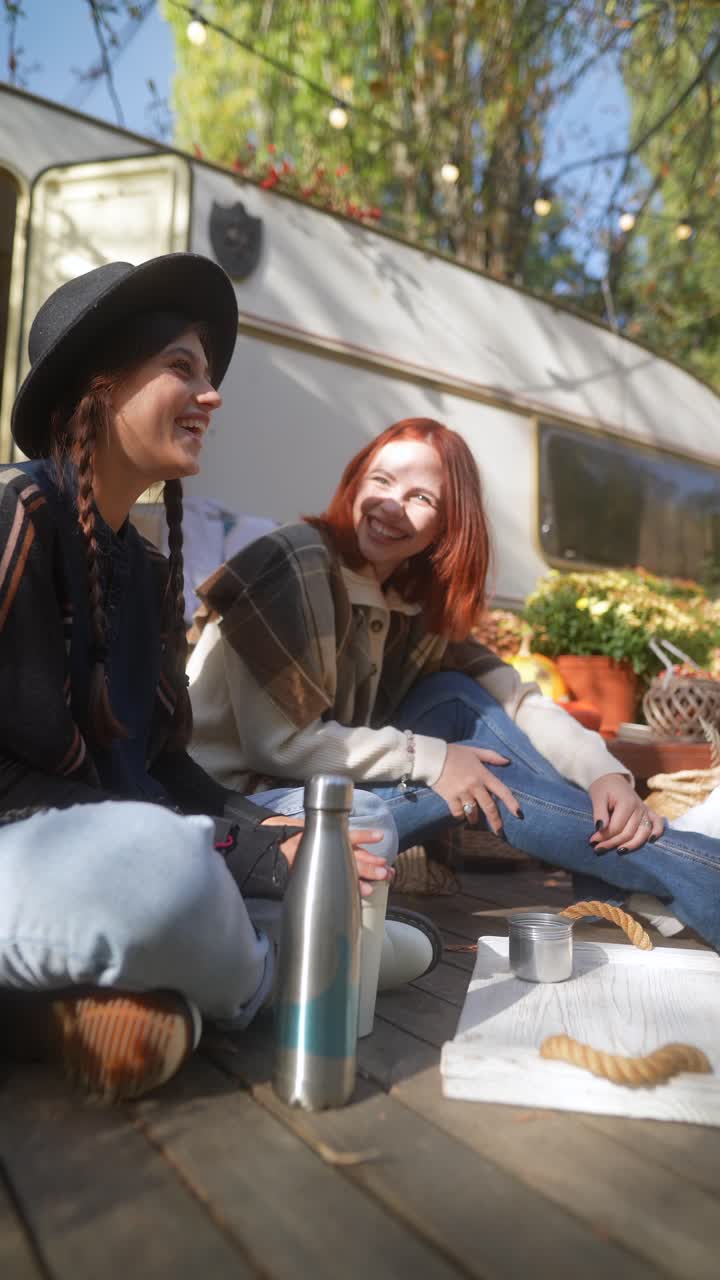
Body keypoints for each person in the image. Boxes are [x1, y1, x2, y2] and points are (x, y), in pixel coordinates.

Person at [0, 254, 413, 1103]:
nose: (212, 394)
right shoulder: (19, 519)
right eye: (182, 367)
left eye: (211, 373)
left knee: (357, 820)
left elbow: (165, 770)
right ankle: (277, 977)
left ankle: (151, 989)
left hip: (111, 859)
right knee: (167, 868)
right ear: (100, 386)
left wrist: (288, 847)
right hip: (40, 852)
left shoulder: (143, 569)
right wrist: (258, 856)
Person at [188, 417, 720, 950]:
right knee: (479, 777)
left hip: (322, 779)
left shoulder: (404, 596)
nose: (392, 504)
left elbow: (517, 700)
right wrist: (434, 758)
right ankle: (698, 875)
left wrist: (606, 775)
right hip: (245, 806)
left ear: (449, 523)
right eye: (380, 480)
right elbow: (279, 744)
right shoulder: (295, 562)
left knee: (457, 699)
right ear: (354, 483)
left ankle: (625, 879)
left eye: (421, 496)